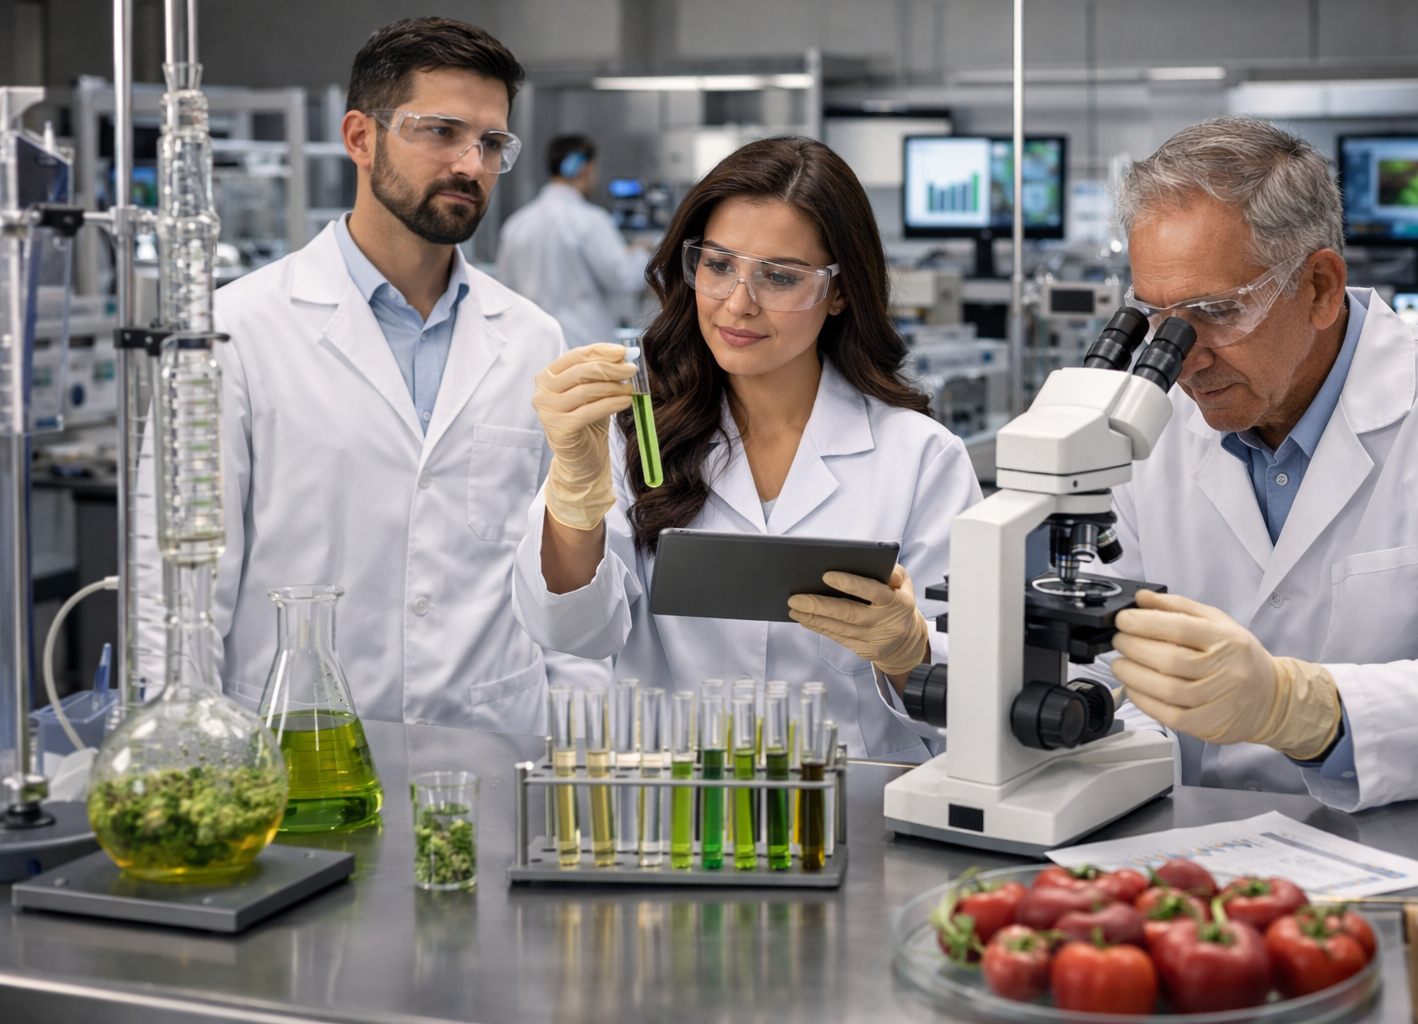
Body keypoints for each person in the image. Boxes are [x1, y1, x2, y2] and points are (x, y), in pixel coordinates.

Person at [135, 17, 609, 732]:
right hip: (294, 749)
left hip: (489, 745)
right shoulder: (233, 330)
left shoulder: (532, 338)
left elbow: (561, 578)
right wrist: (185, 751)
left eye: (490, 143)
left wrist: (578, 747)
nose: (471, 165)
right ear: (360, 137)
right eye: (441, 131)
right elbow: (176, 592)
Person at [1078, 115, 1418, 810]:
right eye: (1158, 318)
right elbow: (1105, 663)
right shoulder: (1150, 426)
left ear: (1319, 287)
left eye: (1216, 312)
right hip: (1186, 834)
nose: (1184, 360)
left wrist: (1301, 707)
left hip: (1399, 840)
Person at [513, 138, 982, 761]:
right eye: (718, 265)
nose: (738, 303)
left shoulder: (921, 458)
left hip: (853, 800)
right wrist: (573, 495)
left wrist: (909, 651)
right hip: (681, 801)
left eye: (780, 276)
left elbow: (973, 700)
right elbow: (572, 631)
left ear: (841, 291)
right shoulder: (639, 434)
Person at [496, 134, 649, 348]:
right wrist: (643, 252)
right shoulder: (591, 220)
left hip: (532, 347)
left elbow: (504, 292)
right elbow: (624, 279)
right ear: (585, 168)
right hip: (585, 348)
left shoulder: (516, 224)